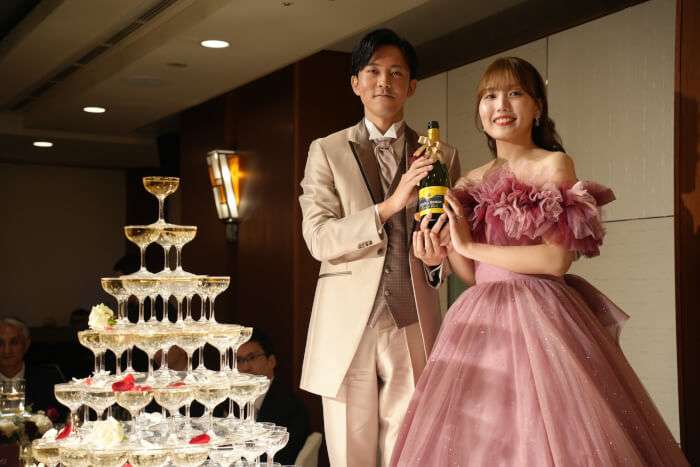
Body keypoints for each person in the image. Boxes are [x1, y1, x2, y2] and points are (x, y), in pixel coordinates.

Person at [390, 57, 689, 466]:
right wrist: (443, 251)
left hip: (542, 314)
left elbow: (555, 259)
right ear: (479, 110)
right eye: (490, 96)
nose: (501, 106)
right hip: (480, 318)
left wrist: (470, 247)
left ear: (537, 106)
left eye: (514, 94)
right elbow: (471, 275)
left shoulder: (552, 164)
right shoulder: (467, 181)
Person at [299, 28, 461, 466]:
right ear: (356, 83)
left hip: (413, 320)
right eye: (372, 72)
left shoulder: (442, 155)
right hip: (346, 326)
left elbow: (450, 242)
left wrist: (436, 264)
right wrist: (388, 207)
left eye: (396, 73)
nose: (383, 82)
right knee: (350, 454)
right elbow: (319, 237)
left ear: (412, 86)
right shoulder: (326, 150)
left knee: (409, 452)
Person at [236, 328, 309, 465]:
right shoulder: (228, 402)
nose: (245, 368)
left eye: (251, 358)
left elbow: (283, 459)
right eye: (239, 360)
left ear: (271, 361)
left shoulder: (293, 409)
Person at [0, 318, 65, 421]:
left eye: (14, 343)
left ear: (26, 345)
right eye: (0, 343)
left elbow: (65, 420)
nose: (6, 350)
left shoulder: (49, 379)